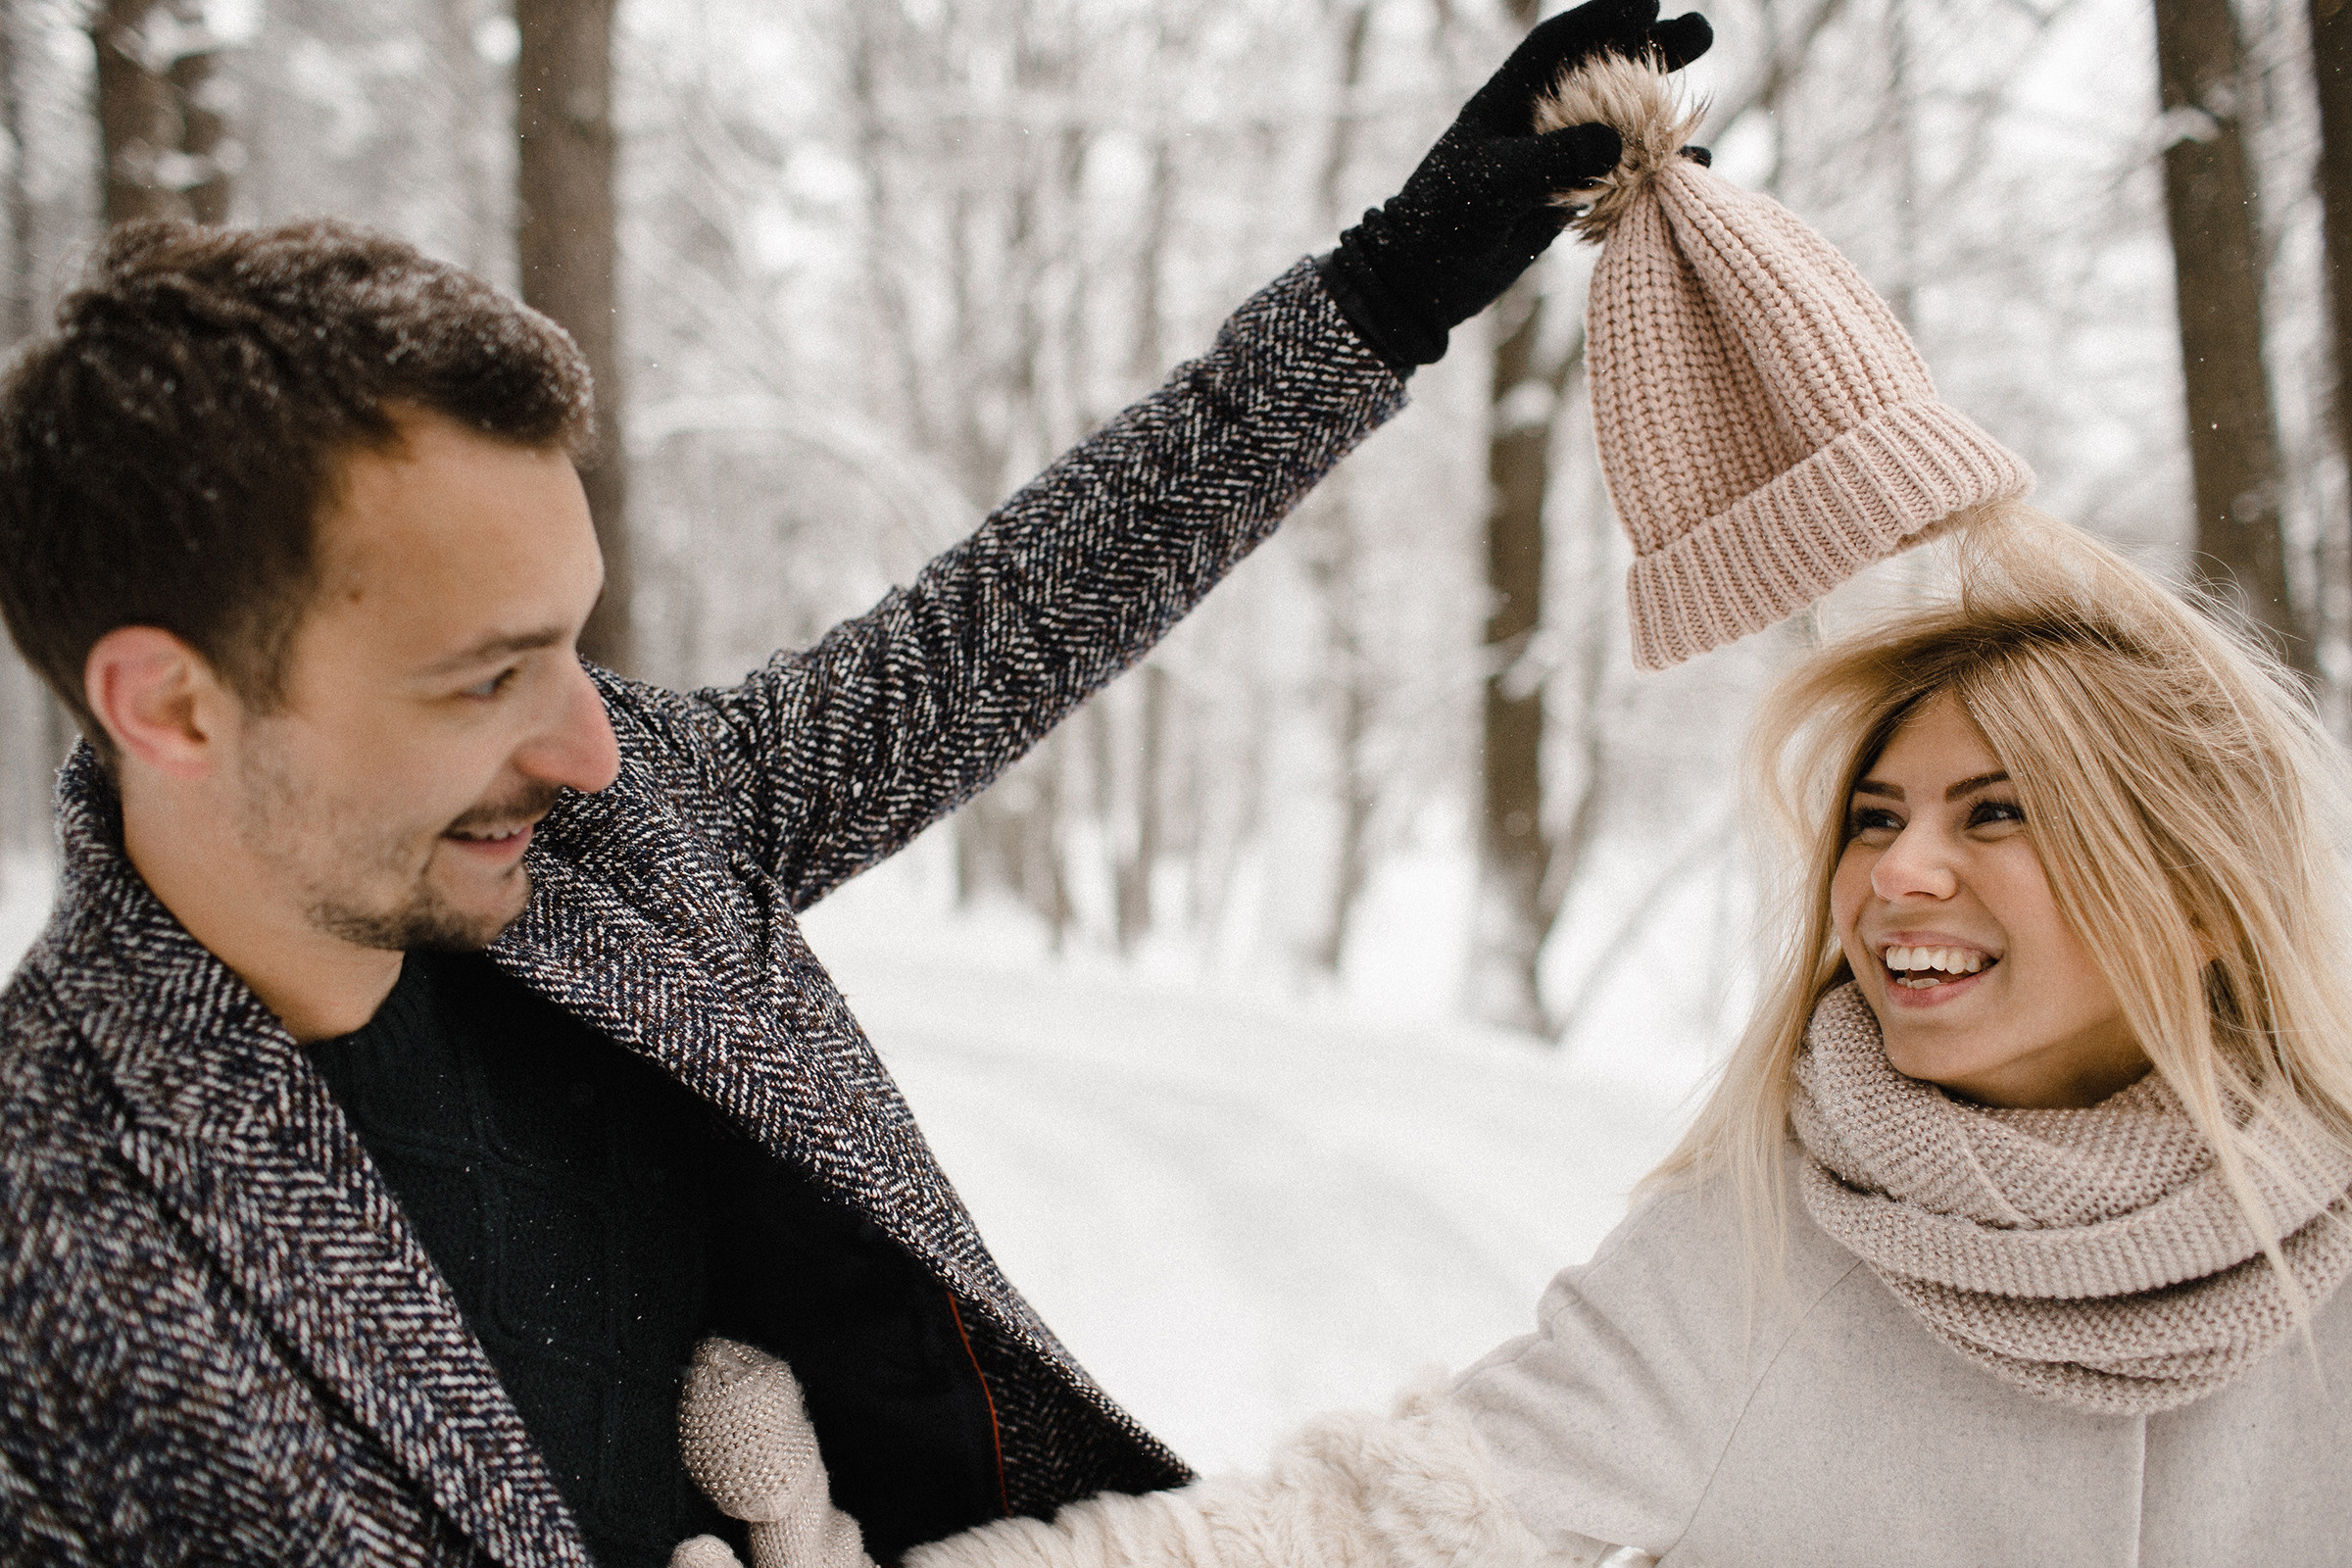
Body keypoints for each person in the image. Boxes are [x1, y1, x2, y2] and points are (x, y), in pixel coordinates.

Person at [0, 3, 1713, 1563]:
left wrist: (1390, 290)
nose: (592, 746)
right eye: (483, 678)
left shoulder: (622, 831)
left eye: (571, 647)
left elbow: (1008, 621)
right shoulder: (53, 1265)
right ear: (171, 703)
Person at [673, 57, 2352, 1568]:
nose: (1899, 873)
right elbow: (1345, 1534)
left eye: (1997, 819)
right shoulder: (1760, 1255)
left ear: (2198, 892)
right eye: (1869, 818)